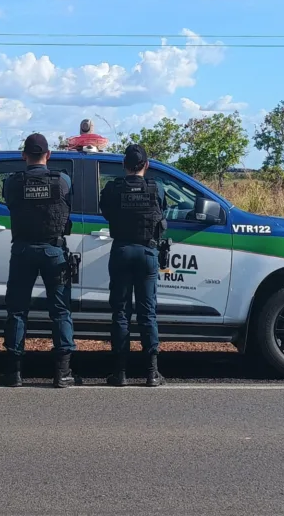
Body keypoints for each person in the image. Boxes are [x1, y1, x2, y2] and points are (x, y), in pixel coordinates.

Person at [0, 133, 77, 388]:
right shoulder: (62, 180)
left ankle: (13, 372)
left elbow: (10, 204)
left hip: (22, 251)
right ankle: (63, 373)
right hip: (54, 252)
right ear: (48, 155)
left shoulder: (12, 183)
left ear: (24, 156)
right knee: (60, 312)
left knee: (17, 312)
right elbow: (68, 206)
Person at [99, 144, 167, 387]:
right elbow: (162, 213)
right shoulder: (156, 188)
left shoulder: (112, 188)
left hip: (122, 251)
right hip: (147, 252)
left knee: (121, 313)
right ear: (146, 166)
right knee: (147, 312)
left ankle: (120, 373)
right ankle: (151, 372)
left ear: (123, 165)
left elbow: (105, 212)